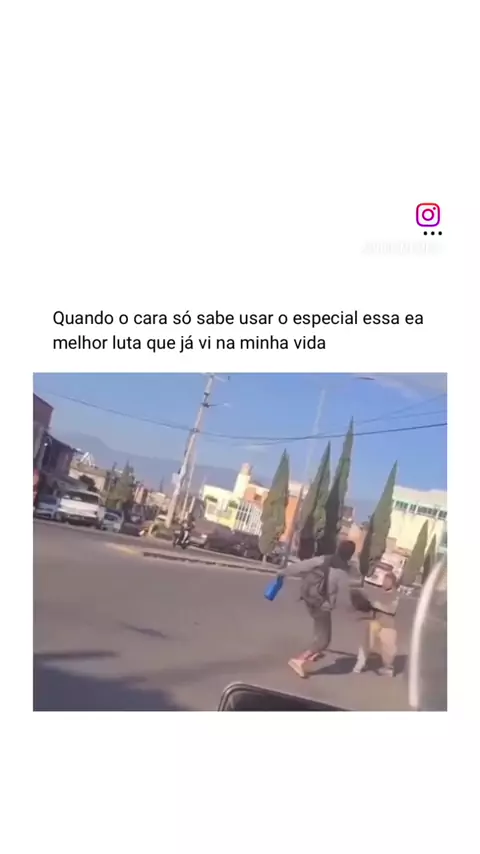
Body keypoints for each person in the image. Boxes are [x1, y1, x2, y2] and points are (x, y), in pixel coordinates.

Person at [279, 539, 358, 678]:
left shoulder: (323, 559)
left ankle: (313, 652)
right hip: (322, 605)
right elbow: (345, 599)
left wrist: (283, 572)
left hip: (308, 597)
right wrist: (355, 609)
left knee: (319, 628)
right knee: (324, 640)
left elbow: (302, 566)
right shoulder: (342, 573)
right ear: (350, 555)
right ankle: (299, 660)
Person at [352, 570, 399, 677]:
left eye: (387, 581)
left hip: (388, 625)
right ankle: (360, 664)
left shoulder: (395, 596)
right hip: (376, 622)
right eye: (384, 580)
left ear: (392, 583)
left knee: (389, 649)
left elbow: (392, 609)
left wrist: (376, 605)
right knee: (366, 642)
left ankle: (388, 667)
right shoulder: (379, 593)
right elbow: (371, 607)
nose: (384, 583)